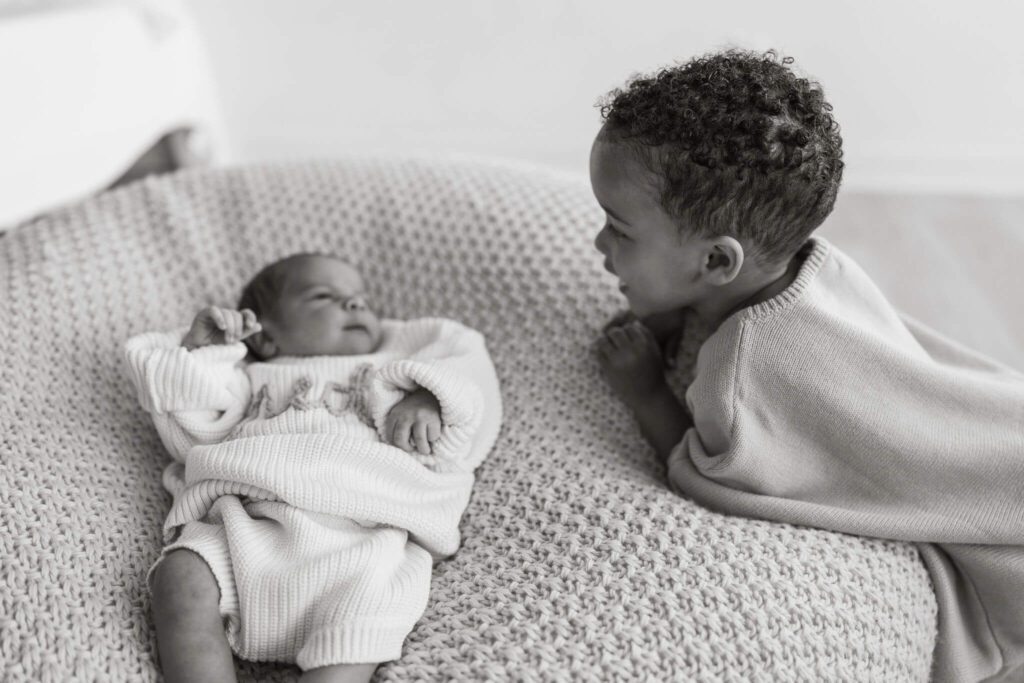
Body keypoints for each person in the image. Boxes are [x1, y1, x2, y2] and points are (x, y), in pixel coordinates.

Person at [592, 49, 1024, 683]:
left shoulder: (736, 379)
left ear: (716, 264)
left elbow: (705, 476)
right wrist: (672, 313)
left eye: (619, 230)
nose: (600, 244)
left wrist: (647, 391)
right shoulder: (820, 264)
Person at [124, 253, 502, 683]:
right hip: (250, 526)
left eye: (361, 299)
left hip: (367, 541)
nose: (356, 305)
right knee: (179, 576)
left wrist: (430, 396)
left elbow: (468, 371)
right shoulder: (252, 377)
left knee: (361, 630)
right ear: (266, 337)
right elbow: (190, 430)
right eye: (326, 297)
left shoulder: (397, 368)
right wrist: (201, 353)